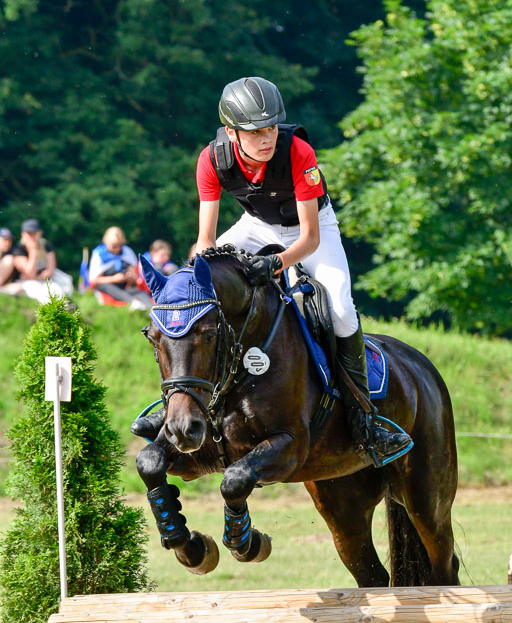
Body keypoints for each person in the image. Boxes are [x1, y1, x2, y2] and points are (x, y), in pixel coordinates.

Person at [133, 77, 411, 465]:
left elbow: (310, 238)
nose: (267, 137)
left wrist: (275, 263)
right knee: (197, 288)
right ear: (231, 132)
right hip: (254, 225)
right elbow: (206, 239)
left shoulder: (297, 151)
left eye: (271, 128)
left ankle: (364, 418)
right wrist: (201, 280)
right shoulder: (211, 159)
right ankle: (175, 405)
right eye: (255, 131)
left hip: (311, 230)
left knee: (342, 309)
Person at [2, 219, 73, 302]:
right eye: (29, 234)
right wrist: (33, 252)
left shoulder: (46, 245)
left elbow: (50, 270)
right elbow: (30, 273)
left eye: (34, 233)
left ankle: (63, 308)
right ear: (23, 234)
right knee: (39, 292)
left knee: (56, 289)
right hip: (26, 282)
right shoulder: (19, 249)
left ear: (39, 233)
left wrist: (38, 277)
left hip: (42, 279)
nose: (32, 237)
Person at [89, 226, 153, 310]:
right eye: (114, 246)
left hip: (125, 287)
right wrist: (113, 279)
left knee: (141, 293)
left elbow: (136, 276)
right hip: (107, 288)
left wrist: (130, 276)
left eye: (119, 246)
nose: (117, 249)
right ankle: (133, 301)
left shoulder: (127, 252)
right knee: (105, 286)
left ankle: (153, 309)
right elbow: (94, 281)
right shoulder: (99, 255)